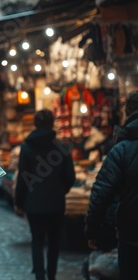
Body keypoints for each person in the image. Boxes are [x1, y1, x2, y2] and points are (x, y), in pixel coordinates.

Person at [14, 109, 75, 280]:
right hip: (56, 203)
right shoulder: (61, 147)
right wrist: (60, 190)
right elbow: (70, 177)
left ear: (35, 124)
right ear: (51, 124)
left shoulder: (26, 147)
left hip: (33, 204)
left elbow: (22, 179)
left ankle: (40, 276)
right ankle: (52, 275)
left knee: (37, 240)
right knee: (54, 242)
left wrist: (19, 202)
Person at [85, 91, 138, 279]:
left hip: (132, 234)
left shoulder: (121, 150)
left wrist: (92, 230)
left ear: (127, 112)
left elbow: (101, 193)